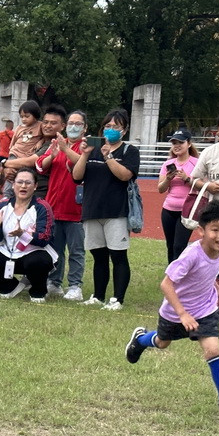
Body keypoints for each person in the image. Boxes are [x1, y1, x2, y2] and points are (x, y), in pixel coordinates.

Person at [125, 202, 219, 421]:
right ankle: (140, 339)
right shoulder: (191, 254)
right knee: (162, 343)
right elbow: (166, 285)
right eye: (215, 230)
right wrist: (183, 314)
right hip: (175, 312)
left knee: (212, 350)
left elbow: (207, 274)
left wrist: (218, 290)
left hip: (205, 309)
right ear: (201, 230)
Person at [73, 108, 139, 311]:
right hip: (92, 209)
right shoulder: (92, 150)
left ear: (124, 130)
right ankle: (98, 295)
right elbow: (77, 176)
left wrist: (109, 157)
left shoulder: (129, 152)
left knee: (118, 256)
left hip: (116, 211)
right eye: (107, 126)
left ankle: (117, 299)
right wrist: (84, 155)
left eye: (115, 127)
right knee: (98, 256)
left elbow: (125, 175)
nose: (110, 130)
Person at [0, 168, 57, 302]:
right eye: (20, 182)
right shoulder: (2, 205)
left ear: (35, 186)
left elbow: (44, 239)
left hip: (34, 252)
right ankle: (9, 287)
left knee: (38, 261)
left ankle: (38, 292)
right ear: (13, 185)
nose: (23, 186)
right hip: (8, 252)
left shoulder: (42, 207)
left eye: (28, 183)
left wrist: (22, 234)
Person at [38, 110, 87, 299]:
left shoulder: (85, 147)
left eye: (78, 123)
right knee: (55, 250)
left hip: (75, 207)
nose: (74, 127)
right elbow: (41, 166)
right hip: (54, 206)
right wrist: (53, 154)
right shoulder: (57, 144)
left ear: (85, 127)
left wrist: (65, 150)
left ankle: (75, 286)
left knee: (76, 250)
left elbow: (82, 164)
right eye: (71, 123)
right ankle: (54, 282)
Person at [156, 129, 201, 265]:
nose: (177, 145)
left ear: (188, 144)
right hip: (168, 210)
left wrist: (187, 179)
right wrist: (168, 179)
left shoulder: (197, 163)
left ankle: (180, 275)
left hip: (187, 210)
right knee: (171, 245)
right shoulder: (168, 164)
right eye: (174, 142)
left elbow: (203, 186)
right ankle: (172, 275)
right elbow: (160, 189)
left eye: (180, 142)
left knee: (179, 246)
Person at [0, 101, 45, 194]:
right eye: (22, 117)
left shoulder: (40, 126)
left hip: (26, 156)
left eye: (27, 116)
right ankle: (7, 194)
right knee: (10, 173)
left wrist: (40, 142)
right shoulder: (19, 128)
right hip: (15, 153)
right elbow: (14, 141)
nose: (24, 119)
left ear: (35, 115)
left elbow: (44, 137)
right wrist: (11, 151)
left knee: (22, 175)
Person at [0, 118, 15, 192]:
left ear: (6, 126)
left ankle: (1, 175)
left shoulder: (0, 133)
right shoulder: (14, 134)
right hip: (9, 156)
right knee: (6, 172)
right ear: (12, 126)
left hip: (1, 154)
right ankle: (0, 188)